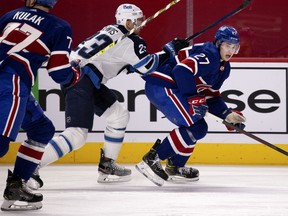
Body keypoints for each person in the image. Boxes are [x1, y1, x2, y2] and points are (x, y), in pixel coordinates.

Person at [27, 3, 188, 188]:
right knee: (77, 134)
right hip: (82, 79)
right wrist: (170, 50)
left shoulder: (111, 31)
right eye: (137, 21)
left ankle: (107, 166)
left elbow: (122, 60)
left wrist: (155, 56)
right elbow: (148, 66)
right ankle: (30, 167)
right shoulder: (131, 41)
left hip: (82, 77)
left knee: (119, 116)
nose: (140, 25)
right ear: (126, 22)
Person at [135, 25, 246, 186]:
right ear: (218, 43)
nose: (231, 50)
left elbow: (211, 95)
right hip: (162, 86)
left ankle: (175, 166)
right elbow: (182, 70)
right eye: (227, 45)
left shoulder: (223, 67)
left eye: (234, 47)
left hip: (171, 88)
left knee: (197, 126)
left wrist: (227, 114)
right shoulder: (210, 56)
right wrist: (193, 97)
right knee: (197, 127)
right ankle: (152, 158)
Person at [0, 0, 81, 211]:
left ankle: (16, 188)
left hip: (13, 81)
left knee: (42, 129)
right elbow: (59, 72)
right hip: (11, 82)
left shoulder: (11, 14)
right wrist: (75, 73)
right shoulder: (59, 26)